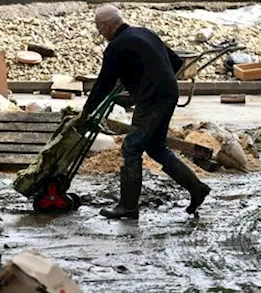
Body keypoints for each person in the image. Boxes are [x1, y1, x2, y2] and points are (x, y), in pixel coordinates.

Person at [79, 5, 210, 220]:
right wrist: (152, 77)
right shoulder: (145, 33)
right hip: (168, 93)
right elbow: (176, 61)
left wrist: (86, 112)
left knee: (131, 147)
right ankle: (197, 188)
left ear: (107, 25)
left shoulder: (116, 46)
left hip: (152, 99)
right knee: (156, 147)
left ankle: (128, 207)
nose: (100, 34)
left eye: (99, 28)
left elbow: (103, 83)